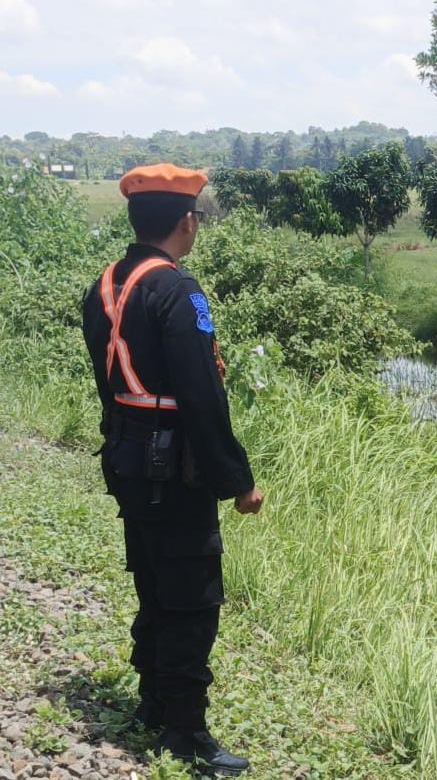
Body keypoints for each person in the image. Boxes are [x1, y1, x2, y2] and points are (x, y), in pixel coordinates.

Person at [81, 164, 261, 775]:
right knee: (191, 597)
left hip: (127, 459)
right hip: (172, 467)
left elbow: (110, 386)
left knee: (154, 581)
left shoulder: (103, 285)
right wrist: (237, 482)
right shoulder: (177, 291)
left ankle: (154, 704)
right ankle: (185, 735)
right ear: (187, 221)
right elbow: (203, 397)